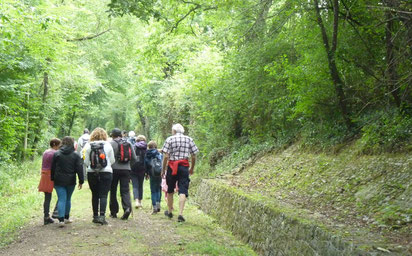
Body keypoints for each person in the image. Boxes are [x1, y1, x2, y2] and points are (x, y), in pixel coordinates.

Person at [161, 124, 199, 222]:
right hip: (184, 167)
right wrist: (191, 168)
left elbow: (165, 156)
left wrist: (163, 169)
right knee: (183, 189)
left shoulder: (169, 139)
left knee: (170, 189)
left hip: (172, 166)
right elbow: (193, 156)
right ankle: (180, 214)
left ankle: (169, 212)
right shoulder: (189, 139)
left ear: (174, 131)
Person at [83, 127, 116, 225]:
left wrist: (91, 165)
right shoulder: (108, 145)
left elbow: (85, 161)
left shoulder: (87, 146)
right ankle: (102, 216)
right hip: (106, 172)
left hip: (92, 172)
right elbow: (112, 160)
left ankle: (95, 216)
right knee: (103, 195)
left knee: (95, 194)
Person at [51, 136, 84, 227]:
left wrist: (52, 179)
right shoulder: (76, 155)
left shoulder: (57, 154)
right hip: (70, 180)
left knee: (61, 199)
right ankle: (66, 218)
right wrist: (81, 180)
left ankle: (61, 220)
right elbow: (79, 168)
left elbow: (53, 168)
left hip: (58, 180)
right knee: (68, 199)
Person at [109, 128, 137, 220]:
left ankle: (113, 212)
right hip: (126, 169)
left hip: (113, 170)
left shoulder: (110, 144)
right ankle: (127, 208)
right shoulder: (128, 143)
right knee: (125, 190)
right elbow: (134, 158)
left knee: (113, 190)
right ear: (120, 135)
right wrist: (129, 166)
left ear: (112, 135)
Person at [38, 138, 61, 225]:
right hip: (51, 175)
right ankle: (57, 212)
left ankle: (46, 216)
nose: (60, 147)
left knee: (47, 197)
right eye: (59, 145)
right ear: (55, 145)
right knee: (61, 194)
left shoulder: (46, 152)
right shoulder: (55, 153)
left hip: (44, 174)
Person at [145, 141, 163, 214]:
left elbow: (145, 164)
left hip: (152, 173)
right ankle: (158, 204)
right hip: (159, 173)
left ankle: (154, 207)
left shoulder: (147, 154)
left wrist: (146, 173)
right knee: (159, 188)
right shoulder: (160, 154)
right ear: (156, 146)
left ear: (149, 147)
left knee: (153, 190)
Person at [131, 135, 147, 208]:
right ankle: (140, 202)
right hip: (142, 169)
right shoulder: (146, 147)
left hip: (133, 168)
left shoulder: (133, 147)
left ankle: (136, 201)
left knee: (135, 185)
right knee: (140, 185)